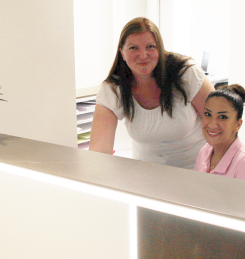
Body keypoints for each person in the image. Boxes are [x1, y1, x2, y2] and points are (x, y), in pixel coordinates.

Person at [89, 17, 214, 169]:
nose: (143, 55)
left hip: (198, 168)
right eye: (133, 48)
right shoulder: (114, 89)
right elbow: (98, 153)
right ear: (122, 52)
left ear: (160, 49)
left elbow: (222, 125)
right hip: (147, 173)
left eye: (150, 46)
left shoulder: (186, 73)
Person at [195, 84, 245, 183]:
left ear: (238, 125)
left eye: (223, 117)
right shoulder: (204, 152)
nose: (212, 124)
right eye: (208, 114)